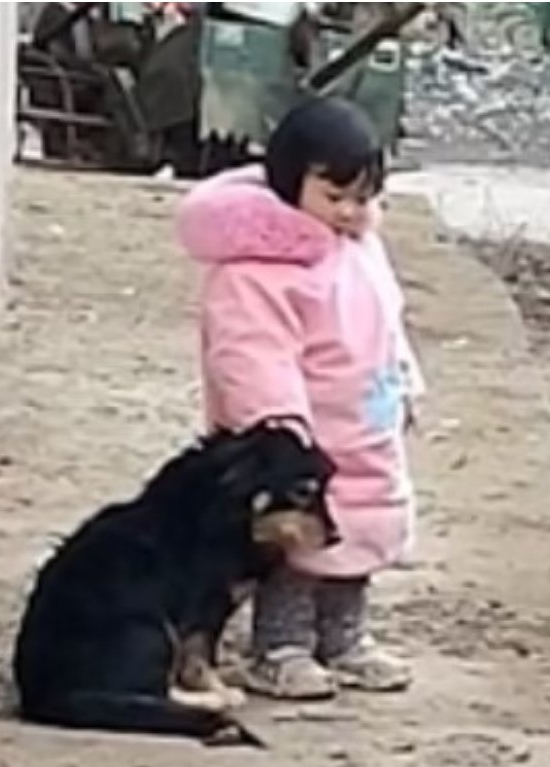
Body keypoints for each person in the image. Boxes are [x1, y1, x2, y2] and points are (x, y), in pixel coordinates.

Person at [176, 97, 424, 698]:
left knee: (362, 525)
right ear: (291, 183)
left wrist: (405, 382)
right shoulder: (256, 268)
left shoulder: (362, 247)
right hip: (304, 434)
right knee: (298, 538)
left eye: (361, 199)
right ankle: (278, 647)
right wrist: (276, 427)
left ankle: (345, 640)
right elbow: (250, 352)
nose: (348, 212)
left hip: (364, 416)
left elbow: (388, 320)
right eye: (333, 197)